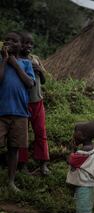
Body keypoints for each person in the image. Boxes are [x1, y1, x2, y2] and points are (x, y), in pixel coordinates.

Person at [0, 31, 35, 192]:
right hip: (1, 112)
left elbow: (29, 83)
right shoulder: (2, 61)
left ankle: (11, 181)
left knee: (14, 149)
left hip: (20, 113)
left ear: (20, 45)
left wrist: (15, 64)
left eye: (14, 41)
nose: (9, 42)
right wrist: (5, 61)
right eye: (6, 40)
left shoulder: (26, 63)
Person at [18, 32, 50, 175]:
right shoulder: (16, 60)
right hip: (22, 103)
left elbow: (43, 81)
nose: (28, 46)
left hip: (37, 101)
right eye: (25, 42)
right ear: (19, 44)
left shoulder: (35, 59)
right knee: (22, 134)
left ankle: (43, 163)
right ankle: (22, 164)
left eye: (30, 43)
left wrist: (39, 71)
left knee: (41, 132)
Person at [63, 121, 94, 213]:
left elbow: (71, 160)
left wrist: (72, 149)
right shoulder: (89, 148)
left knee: (81, 211)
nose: (73, 134)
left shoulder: (84, 151)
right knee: (86, 210)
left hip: (84, 185)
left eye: (75, 131)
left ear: (83, 136)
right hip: (89, 184)